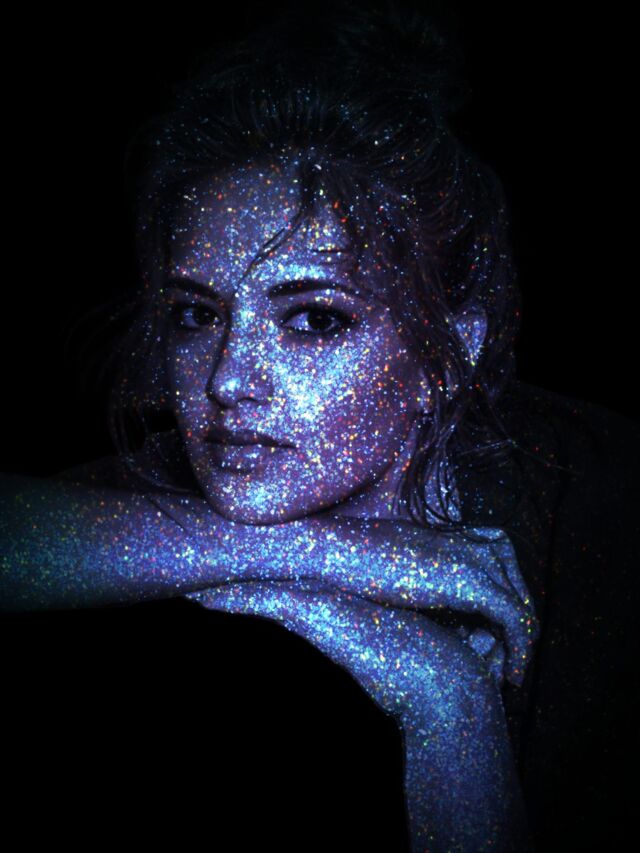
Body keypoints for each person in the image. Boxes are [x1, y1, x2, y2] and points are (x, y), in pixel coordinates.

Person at [1, 4, 637, 851]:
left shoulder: (606, 514)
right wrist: (331, 554)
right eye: (195, 314)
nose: (227, 380)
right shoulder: (158, 498)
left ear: (447, 356)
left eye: (313, 320)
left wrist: (450, 711)